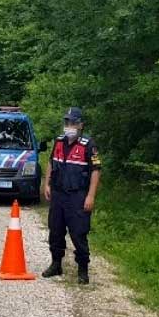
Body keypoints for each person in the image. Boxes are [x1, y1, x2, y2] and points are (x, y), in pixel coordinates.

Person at [42, 107, 102, 283]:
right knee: (55, 231)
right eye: (67, 122)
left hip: (78, 196)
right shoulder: (59, 141)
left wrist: (91, 196)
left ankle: (83, 270)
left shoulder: (88, 145)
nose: (69, 126)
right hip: (58, 194)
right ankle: (56, 264)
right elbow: (51, 162)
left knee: (78, 233)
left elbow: (96, 171)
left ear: (80, 125)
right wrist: (47, 184)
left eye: (73, 123)